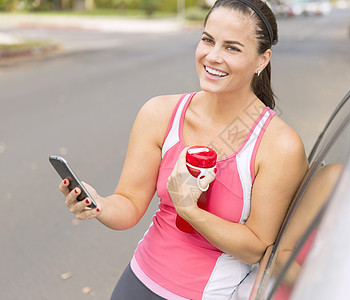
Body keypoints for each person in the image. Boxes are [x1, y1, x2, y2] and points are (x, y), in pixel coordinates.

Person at [59, 0, 308, 298]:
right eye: (207, 40)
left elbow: (256, 247)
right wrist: (98, 205)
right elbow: (129, 203)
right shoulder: (159, 113)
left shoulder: (279, 145)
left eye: (232, 48)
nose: (212, 56)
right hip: (137, 282)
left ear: (262, 60)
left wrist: (190, 210)